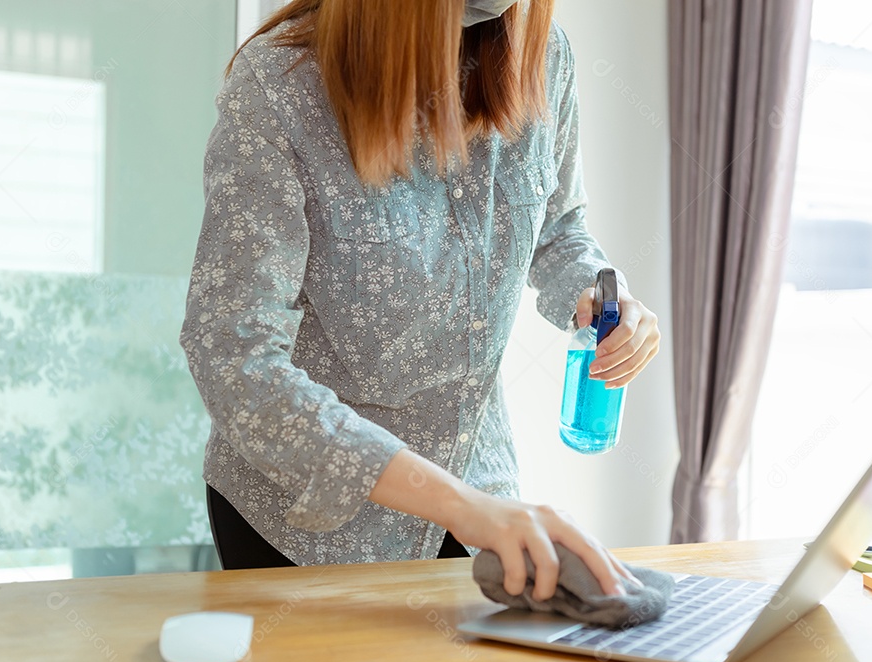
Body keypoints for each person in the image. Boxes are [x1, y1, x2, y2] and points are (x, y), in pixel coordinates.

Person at [180, 0, 661, 602]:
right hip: (307, 531)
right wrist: (459, 506)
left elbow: (559, 229)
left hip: (479, 490)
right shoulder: (281, 89)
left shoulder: (543, 58)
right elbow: (233, 356)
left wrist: (596, 290)